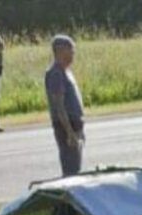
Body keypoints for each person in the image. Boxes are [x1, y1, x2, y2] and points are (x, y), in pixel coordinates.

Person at [45, 34, 85, 176]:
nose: (73, 54)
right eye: (71, 50)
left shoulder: (65, 71)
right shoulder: (56, 73)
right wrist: (70, 133)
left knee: (76, 169)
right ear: (60, 51)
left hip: (75, 127)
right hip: (67, 130)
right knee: (71, 173)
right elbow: (59, 107)